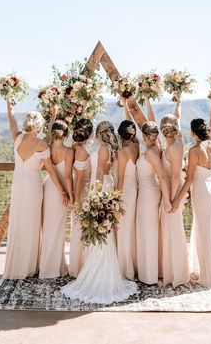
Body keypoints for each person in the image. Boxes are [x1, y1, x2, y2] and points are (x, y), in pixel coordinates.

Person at [61, 121, 137, 304]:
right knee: (104, 231)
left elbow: (100, 174)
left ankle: (101, 274)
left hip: (101, 187)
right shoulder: (111, 149)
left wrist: (96, 196)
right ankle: (104, 270)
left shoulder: (103, 149)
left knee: (103, 230)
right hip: (106, 186)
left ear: (98, 134)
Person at [3, 102, 68, 279]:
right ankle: (29, 267)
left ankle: (16, 267)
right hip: (33, 189)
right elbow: (52, 173)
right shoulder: (42, 145)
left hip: (17, 187)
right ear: (39, 126)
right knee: (32, 226)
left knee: (18, 223)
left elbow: (11, 118)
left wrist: (9, 103)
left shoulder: (17, 137)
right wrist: (62, 190)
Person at [172, 93, 211, 290]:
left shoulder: (195, 151)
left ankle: (209, 276)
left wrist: (176, 201)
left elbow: (188, 179)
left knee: (205, 230)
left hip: (202, 191)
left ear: (193, 132)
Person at [136, 96, 172, 284]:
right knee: (147, 229)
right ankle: (149, 269)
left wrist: (166, 199)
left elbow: (163, 175)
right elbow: (151, 123)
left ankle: (149, 275)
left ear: (144, 136)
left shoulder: (151, 152)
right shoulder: (154, 147)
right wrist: (147, 102)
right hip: (147, 192)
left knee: (148, 230)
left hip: (149, 194)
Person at [160, 98, 190, 287]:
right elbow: (177, 118)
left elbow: (175, 177)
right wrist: (178, 102)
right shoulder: (178, 139)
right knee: (170, 232)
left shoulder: (173, 147)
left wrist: (171, 200)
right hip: (171, 193)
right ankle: (170, 271)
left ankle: (177, 275)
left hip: (173, 193)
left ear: (163, 130)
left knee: (173, 231)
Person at [39, 119, 74, 278]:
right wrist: (70, 195)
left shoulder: (46, 147)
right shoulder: (68, 152)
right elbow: (67, 177)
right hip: (61, 192)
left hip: (48, 188)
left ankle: (48, 266)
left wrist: (52, 116)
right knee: (58, 228)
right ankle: (54, 268)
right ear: (66, 135)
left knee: (47, 228)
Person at [69, 118, 93, 277]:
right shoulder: (83, 152)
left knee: (79, 228)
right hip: (81, 193)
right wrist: (77, 203)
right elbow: (78, 179)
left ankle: (77, 265)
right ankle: (80, 267)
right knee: (81, 228)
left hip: (80, 192)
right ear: (89, 135)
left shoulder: (73, 147)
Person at [116, 115, 139, 280]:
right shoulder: (136, 145)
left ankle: (124, 269)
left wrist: (116, 201)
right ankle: (131, 266)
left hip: (125, 192)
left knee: (122, 229)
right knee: (129, 228)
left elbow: (120, 179)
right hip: (135, 190)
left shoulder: (122, 152)